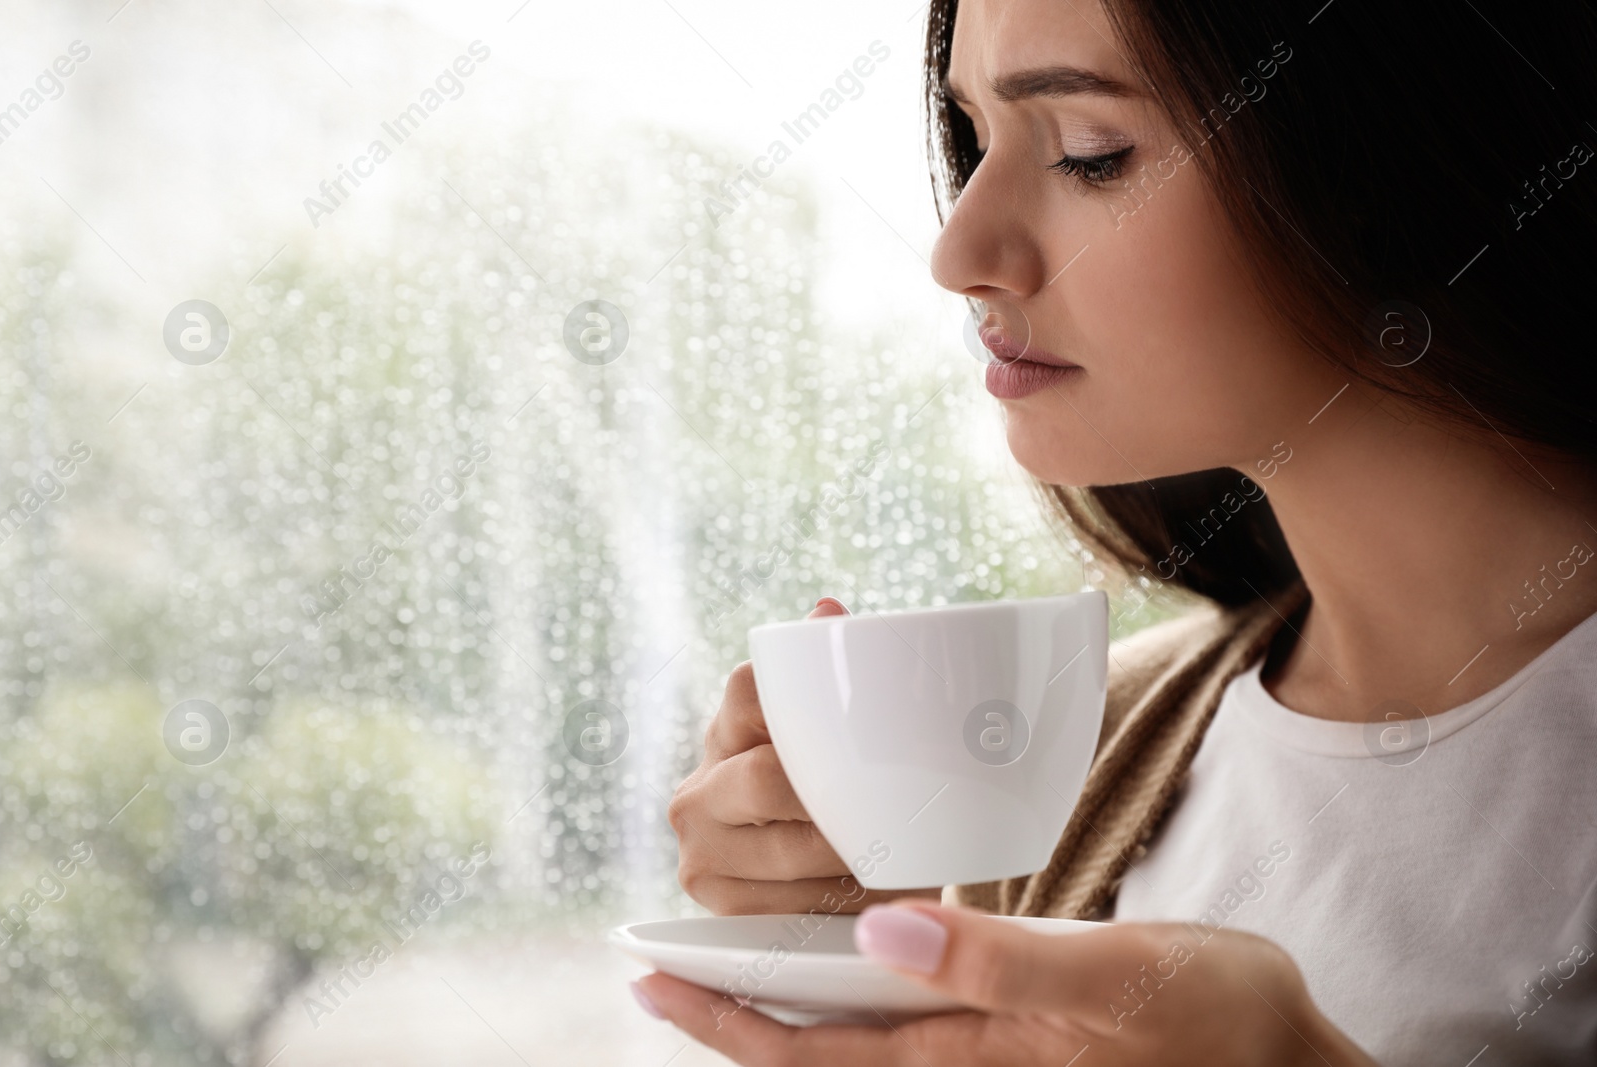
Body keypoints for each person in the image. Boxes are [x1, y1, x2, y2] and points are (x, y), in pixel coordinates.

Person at [635, 0, 1597, 1062]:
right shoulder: (1075, 754)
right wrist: (872, 973)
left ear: (1393, 147)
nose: (957, 251)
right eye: (974, 140)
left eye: (1090, 154)